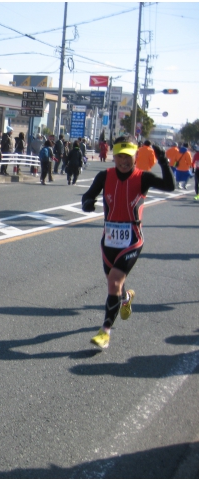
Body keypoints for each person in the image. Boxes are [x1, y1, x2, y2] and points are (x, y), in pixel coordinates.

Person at [82, 136, 174, 349]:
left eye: (128, 157)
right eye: (120, 157)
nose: (124, 161)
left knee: (113, 282)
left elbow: (170, 186)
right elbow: (88, 195)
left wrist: (163, 161)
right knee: (116, 285)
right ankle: (125, 298)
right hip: (109, 240)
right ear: (114, 157)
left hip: (132, 239)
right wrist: (87, 202)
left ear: (135, 157)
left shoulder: (143, 178)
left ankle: (105, 331)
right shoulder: (104, 176)